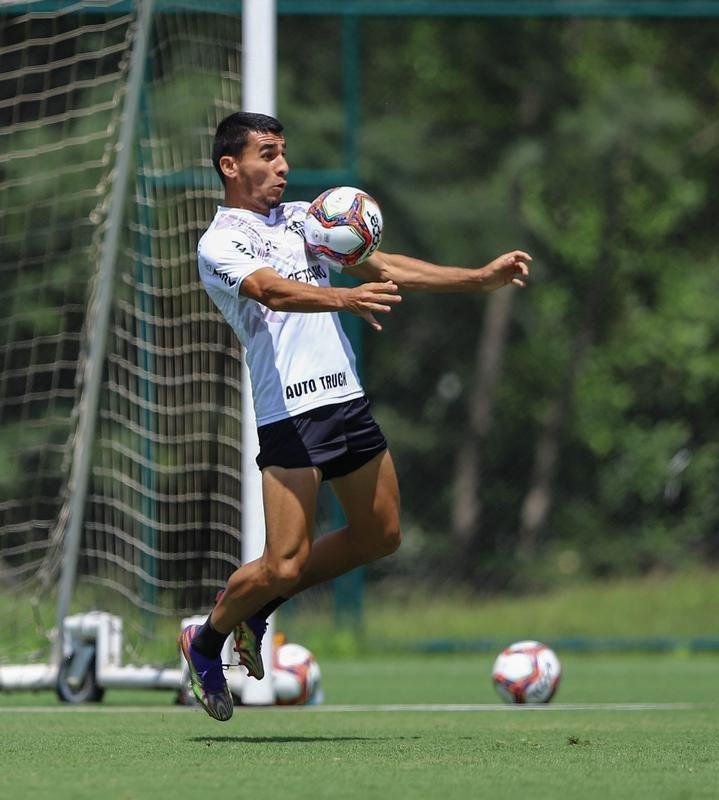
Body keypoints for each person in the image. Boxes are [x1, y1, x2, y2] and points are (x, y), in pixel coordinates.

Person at [180, 111, 530, 721]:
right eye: (268, 153)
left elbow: (383, 267)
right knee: (283, 561)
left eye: (284, 152)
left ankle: (258, 606)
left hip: (343, 398)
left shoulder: (308, 218)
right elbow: (270, 290)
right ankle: (206, 639)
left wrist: (478, 279)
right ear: (231, 166)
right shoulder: (220, 241)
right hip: (289, 412)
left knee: (381, 535)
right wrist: (343, 298)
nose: (282, 165)